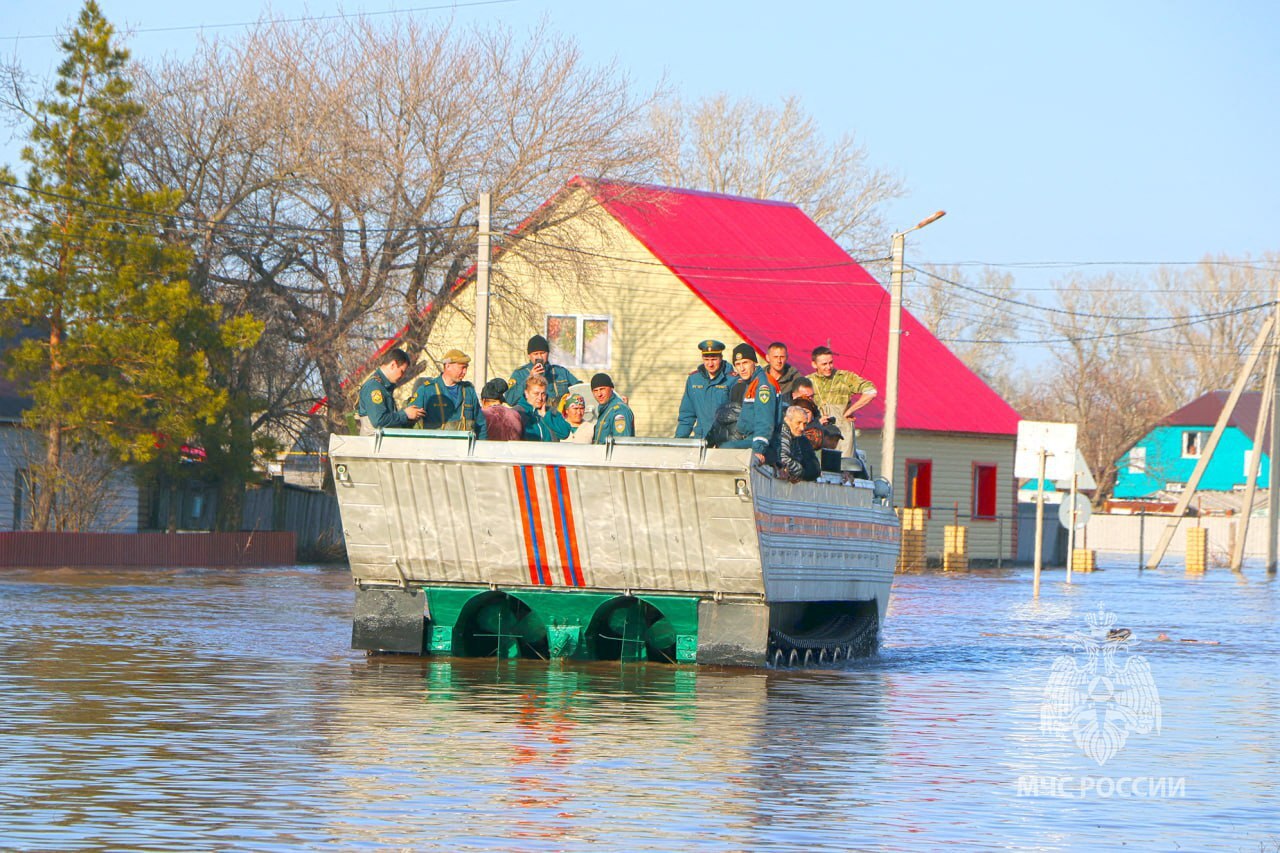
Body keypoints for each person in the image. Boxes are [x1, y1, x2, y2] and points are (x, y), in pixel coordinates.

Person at [808, 345, 877, 456]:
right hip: (819, 432)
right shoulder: (808, 381)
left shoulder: (845, 378)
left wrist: (850, 410)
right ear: (814, 364)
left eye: (830, 363)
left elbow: (871, 391)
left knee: (844, 465)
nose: (828, 367)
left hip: (842, 431)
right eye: (824, 364)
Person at [719, 344, 778, 462]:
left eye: (745, 363)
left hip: (764, 444)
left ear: (754, 362)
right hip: (750, 438)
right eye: (738, 364)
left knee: (725, 450)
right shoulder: (751, 382)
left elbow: (765, 421)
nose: (742, 368)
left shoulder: (763, 385)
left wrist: (758, 450)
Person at [411, 349, 487, 439]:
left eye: (466, 367)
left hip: (463, 450)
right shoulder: (427, 391)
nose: (465, 372)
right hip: (435, 450)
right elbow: (410, 421)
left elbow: (481, 425)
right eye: (462, 367)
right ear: (448, 366)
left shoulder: (468, 391)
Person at [675, 339, 735, 440]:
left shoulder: (732, 380)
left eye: (714, 359)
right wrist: (679, 440)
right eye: (706, 359)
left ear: (721, 358)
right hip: (700, 439)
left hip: (724, 440)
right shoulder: (694, 380)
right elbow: (687, 414)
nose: (710, 364)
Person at [356, 347, 424, 434]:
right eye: (402, 372)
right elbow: (379, 420)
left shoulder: (384, 387)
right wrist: (405, 414)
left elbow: (389, 420)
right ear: (393, 365)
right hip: (374, 444)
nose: (402, 376)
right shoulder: (374, 387)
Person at [504, 334, 580, 406]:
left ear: (548, 353)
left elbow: (580, 389)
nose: (539, 357)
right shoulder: (520, 373)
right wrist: (529, 378)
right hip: (532, 417)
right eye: (536, 354)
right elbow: (510, 400)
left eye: (542, 353)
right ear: (529, 355)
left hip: (558, 415)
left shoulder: (560, 372)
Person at [767, 405, 821, 482]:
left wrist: (795, 473)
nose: (802, 428)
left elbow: (798, 458)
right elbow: (783, 459)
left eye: (804, 424)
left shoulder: (795, 436)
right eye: (798, 423)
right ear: (787, 420)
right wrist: (800, 472)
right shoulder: (782, 433)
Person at [515, 374, 569, 442]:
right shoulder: (517, 413)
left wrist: (546, 416)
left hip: (551, 451)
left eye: (543, 394)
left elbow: (565, 433)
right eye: (536, 394)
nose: (540, 398)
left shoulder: (552, 412)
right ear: (526, 393)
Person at [590, 373, 635, 443]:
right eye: (595, 391)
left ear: (611, 388)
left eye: (602, 389)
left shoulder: (619, 411)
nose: (599, 394)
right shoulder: (605, 410)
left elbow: (622, 444)